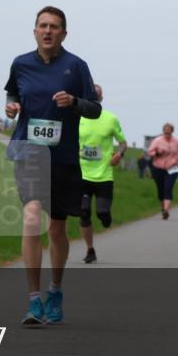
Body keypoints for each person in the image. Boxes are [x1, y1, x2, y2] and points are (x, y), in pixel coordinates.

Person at [5, 6, 99, 325]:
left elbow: (95, 109)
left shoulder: (77, 66)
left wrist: (73, 102)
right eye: (42, 26)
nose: (48, 31)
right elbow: (12, 93)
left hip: (63, 157)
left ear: (63, 33)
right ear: (34, 31)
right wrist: (12, 105)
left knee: (57, 228)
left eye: (54, 27)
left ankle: (55, 290)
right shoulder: (21, 64)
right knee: (32, 217)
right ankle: (33, 300)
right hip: (29, 152)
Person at [75, 84, 126, 263]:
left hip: (104, 176)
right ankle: (90, 250)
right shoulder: (76, 118)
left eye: (97, 97)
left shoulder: (110, 119)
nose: (93, 99)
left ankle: (106, 216)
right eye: (90, 97)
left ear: (101, 99)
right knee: (83, 212)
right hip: (82, 174)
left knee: (102, 214)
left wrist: (119, 154)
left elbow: (122, 142)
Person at [147, 123, 178, 219]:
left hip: (172, 168)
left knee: (168, 188)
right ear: (163, 131)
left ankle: (166, 210)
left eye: (169, 130)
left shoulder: (176, 141)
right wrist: (156, 153)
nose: (167, 132)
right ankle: (163, 207)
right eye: (165, 130)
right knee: (161, 190)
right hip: (158, 167)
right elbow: (150, 152)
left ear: (172, 131)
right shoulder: (157, 141)